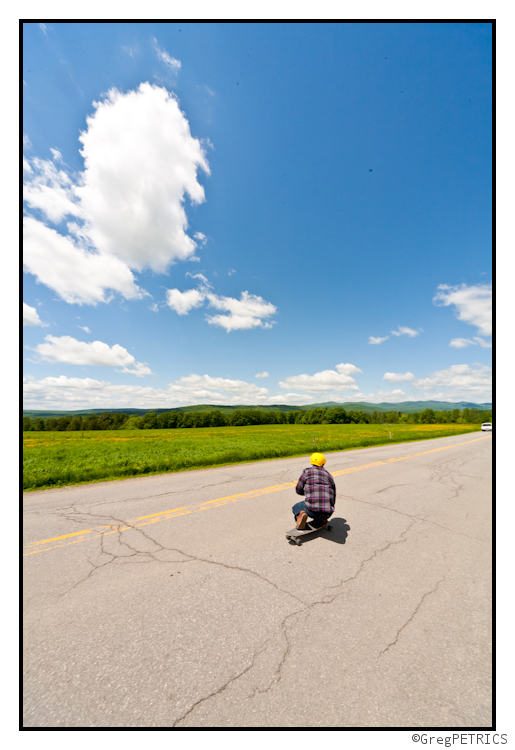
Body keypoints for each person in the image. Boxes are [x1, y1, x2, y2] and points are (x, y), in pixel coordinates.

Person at [292, 453, 336, 530]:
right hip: (328, 513)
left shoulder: (307, 471)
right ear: (323, 463)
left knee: (296, 507)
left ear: (311, 462)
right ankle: (323, 520)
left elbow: (298, 489)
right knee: (321, 507)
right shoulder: (329, 475)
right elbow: (333, 495)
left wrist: (307, 493)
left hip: (312, 511)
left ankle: (301, 517)